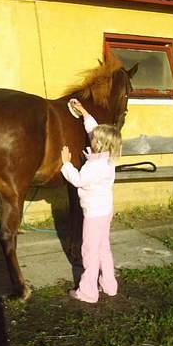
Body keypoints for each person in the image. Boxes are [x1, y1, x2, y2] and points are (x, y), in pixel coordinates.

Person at [60, 98, 121, 303]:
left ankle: (88, 292)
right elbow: (94, 129)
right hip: (105, 211)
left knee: (90, 251)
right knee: (104, 248)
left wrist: (66, 164)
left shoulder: (93, 167)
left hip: (94, 215)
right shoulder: (108, 158)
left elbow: (78, 180)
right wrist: (84, 112)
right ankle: (109, 285)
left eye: (93, 139)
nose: (90, 139)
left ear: (98, 144)